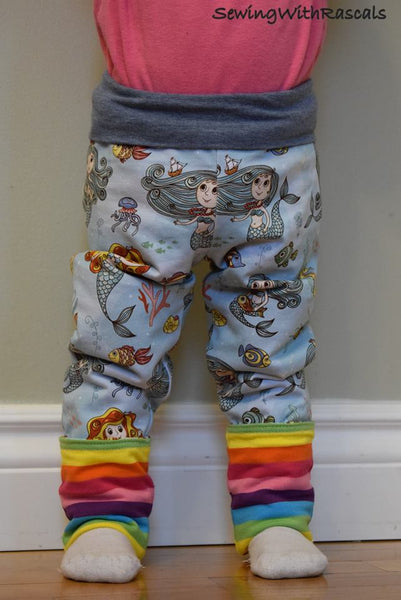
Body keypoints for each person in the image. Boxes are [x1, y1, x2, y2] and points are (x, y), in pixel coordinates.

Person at [59, 0, 329, 583]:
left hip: (277, 150)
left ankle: (276, 517)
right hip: (139, 147)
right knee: (117, 346)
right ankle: (102, 517)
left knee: (271, 348)